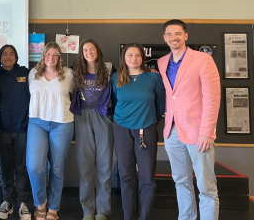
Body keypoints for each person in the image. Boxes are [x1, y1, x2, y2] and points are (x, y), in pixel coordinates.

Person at [158, 19, 221, 220]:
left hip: (198, 132)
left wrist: (207, 132)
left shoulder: (203, 59)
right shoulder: (162, 62)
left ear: (185, 36)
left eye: (178, 33)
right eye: (169, 34)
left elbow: (212, 98)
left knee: (206, 186)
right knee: (181, 181)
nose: (173, 37)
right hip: (172, 131)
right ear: (165, 38)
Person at [111, 43, 165, 220]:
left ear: (143, 58)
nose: (133, 58)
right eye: (130, 55)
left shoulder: (153, 78)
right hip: (121, 130)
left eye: (137, 55)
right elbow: (114, 102)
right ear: (124, 57)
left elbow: (160, 105)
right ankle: (129, 216)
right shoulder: (115, 77)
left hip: (146, 130)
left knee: (147, 177)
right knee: (125, 175)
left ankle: (144, 217)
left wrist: (148, 122)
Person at [27, 42, 74, 220]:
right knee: (34, 167)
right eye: (48, 54)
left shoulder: (68, 74)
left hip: (62, 123)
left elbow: (77, 94)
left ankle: (53, 209)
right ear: (43, 56)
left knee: (56, 168)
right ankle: (41, 203)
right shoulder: (34, 74)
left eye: (55, 54)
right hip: (37, 122)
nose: (51, 57)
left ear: (59, 57)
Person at [70, 39, 116, 220]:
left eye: (92, 49)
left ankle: (103, 211)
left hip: (103, 116)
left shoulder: (109, 68)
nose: (89, 52)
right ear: (81, 53)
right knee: (86, 166)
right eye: (85, 50)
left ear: (98, 50)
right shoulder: (76, 71)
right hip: (82, 117)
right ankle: (88, 210)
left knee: (105, 165)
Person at [0, 45, 31, 220]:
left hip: (23, 128)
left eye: (11, 54)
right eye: (4, 54)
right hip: (3, 128)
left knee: (22, 167)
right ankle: (7, 200)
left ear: (16, 57)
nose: (8, 57)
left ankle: (23, 202)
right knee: (6, 167)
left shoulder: (26, 74)